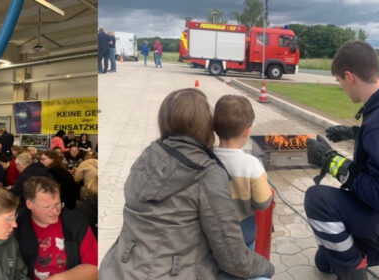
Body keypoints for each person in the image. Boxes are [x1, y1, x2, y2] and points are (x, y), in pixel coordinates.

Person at [99, 88, 273, 279]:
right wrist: (267, 268)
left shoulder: (146, 157)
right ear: (206, 124)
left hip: (119, 268)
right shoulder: (207, 172)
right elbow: (233, 258)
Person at [300, 41, 379, 278]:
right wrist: (355, 134)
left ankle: (357, 271)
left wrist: (331, 161)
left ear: (349, 76)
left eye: (339, 82)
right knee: (325, 261)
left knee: (317, 199)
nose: (341, 87)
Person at [212, 95, 275, 252]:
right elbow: (263, 203)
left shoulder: (205, 158)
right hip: (243, 239)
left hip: (211, 236)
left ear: (214, 127)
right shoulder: (252, 165)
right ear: (247, 131)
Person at [15, 177, 98, 280]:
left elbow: (95, 267)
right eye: (47, 207)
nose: (55, 212)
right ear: (29, 204)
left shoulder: (76, 223)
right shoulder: (16, 227)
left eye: (57, 204)